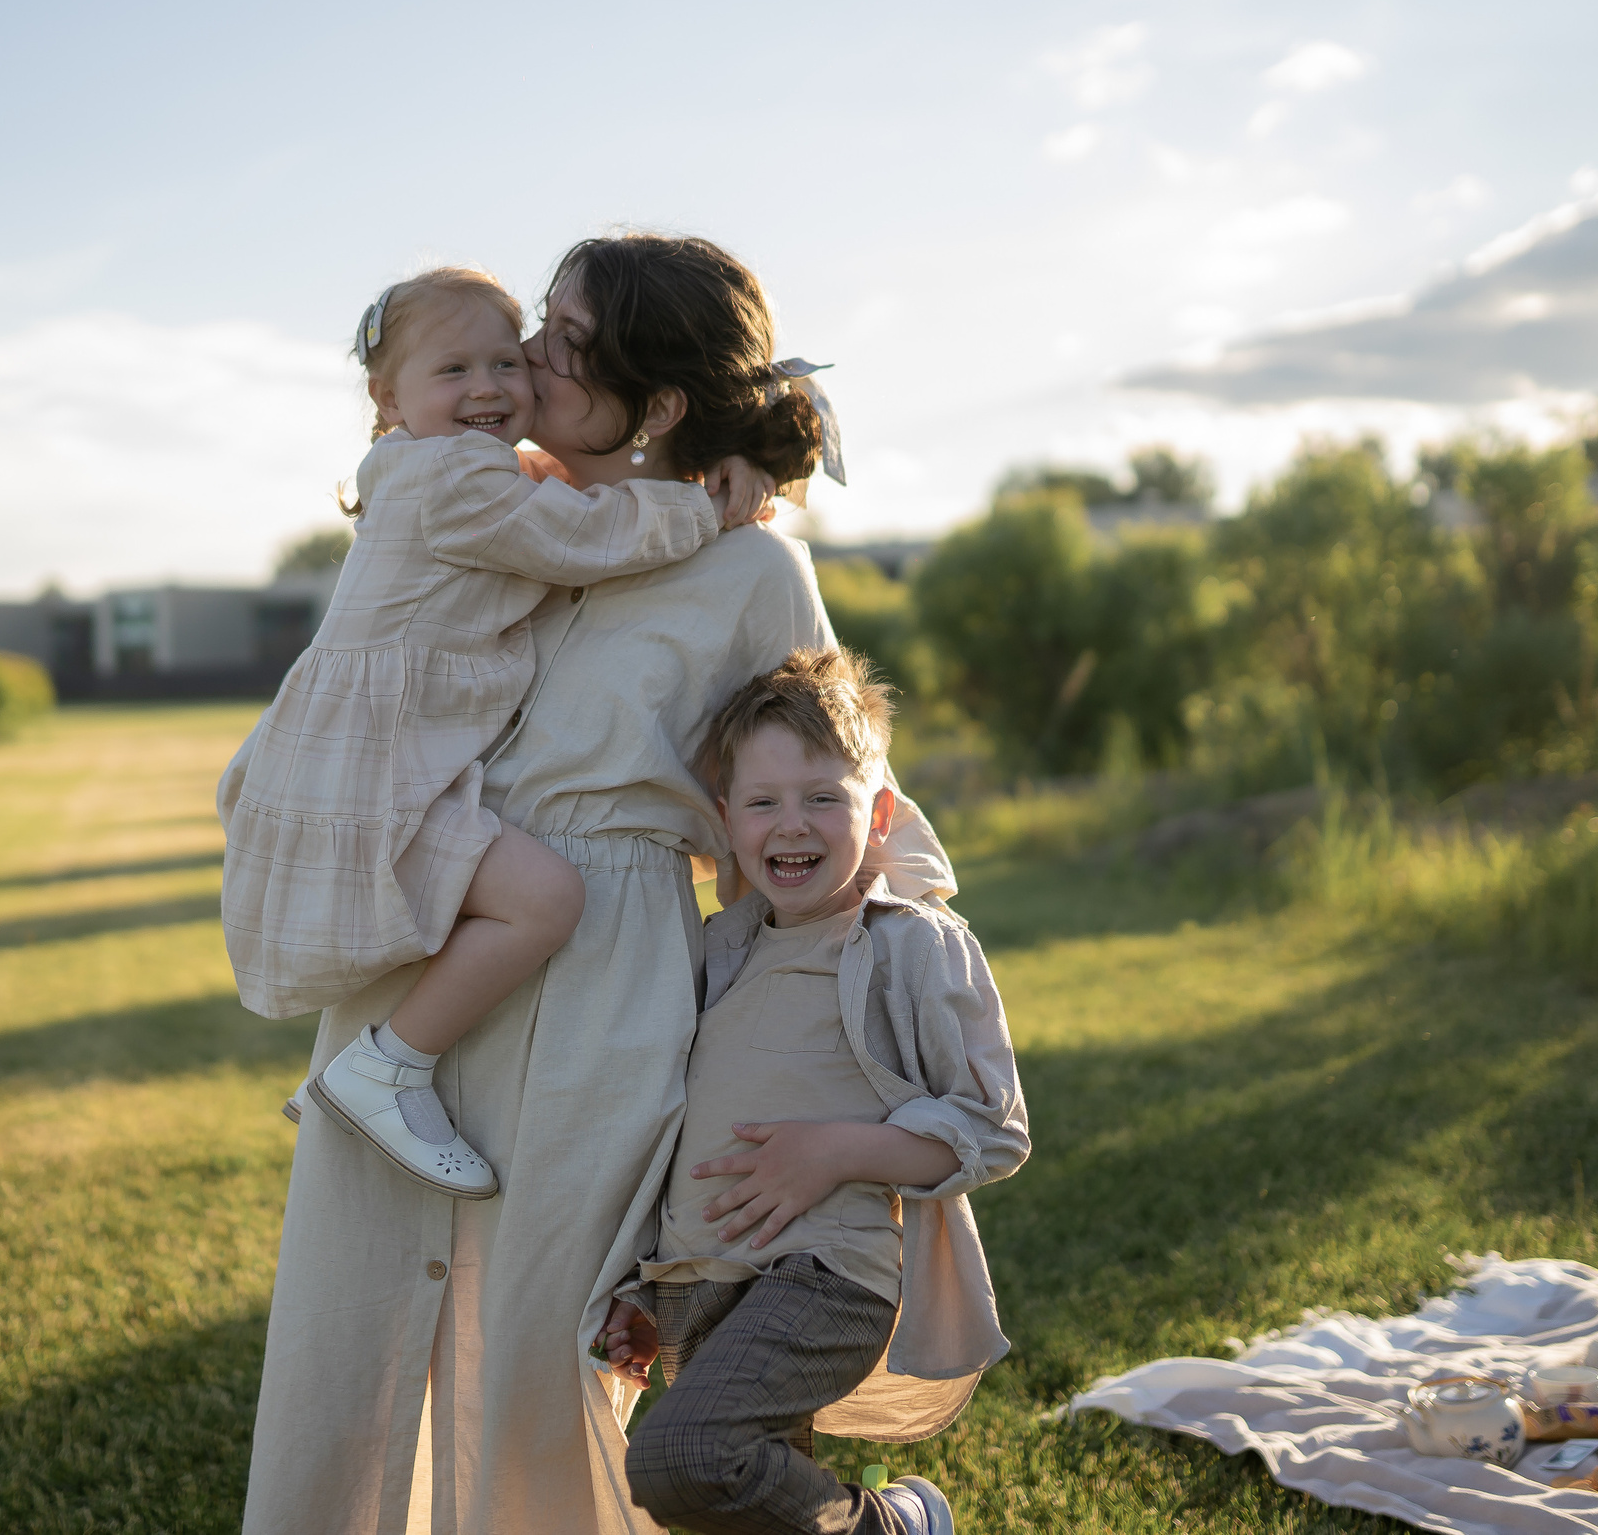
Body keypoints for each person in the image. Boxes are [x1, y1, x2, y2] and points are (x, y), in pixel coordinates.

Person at [240, 233, 956, 1535]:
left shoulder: (749, 561)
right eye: (535, 328)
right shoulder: (504, 509)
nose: (530, 359)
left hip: (602, 971)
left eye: (569, 338)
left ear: (662, 401)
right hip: (437, 934)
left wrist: (904, 1015)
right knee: (350, 1320)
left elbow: (833, 801)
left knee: (532, 1346)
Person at [217, 265, 730, 1198]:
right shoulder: (454, 478)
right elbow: (583, 538)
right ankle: (389, 1065)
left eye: (505, 359)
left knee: (516, 897)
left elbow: (548, 495)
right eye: (453, 370)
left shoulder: (443, 468)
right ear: (389, 398)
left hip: (382, 752)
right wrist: (704, 505)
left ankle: (387, 1060)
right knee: (546, 900)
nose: (490, 386)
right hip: (376, 764)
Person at [597, 647, 1028, 1535]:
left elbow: (993, 1126)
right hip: (701, 1282)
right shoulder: (720, 949)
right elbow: (690, 1126)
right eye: (763, 802)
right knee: (745, 1499)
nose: (791, 823)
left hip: (825, 1273)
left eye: (822, 798)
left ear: (876, 815)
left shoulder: (911, 943)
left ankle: (893, 1526)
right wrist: (650, 1293)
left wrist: (835, 1148)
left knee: (681, 1457)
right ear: (727, 819)